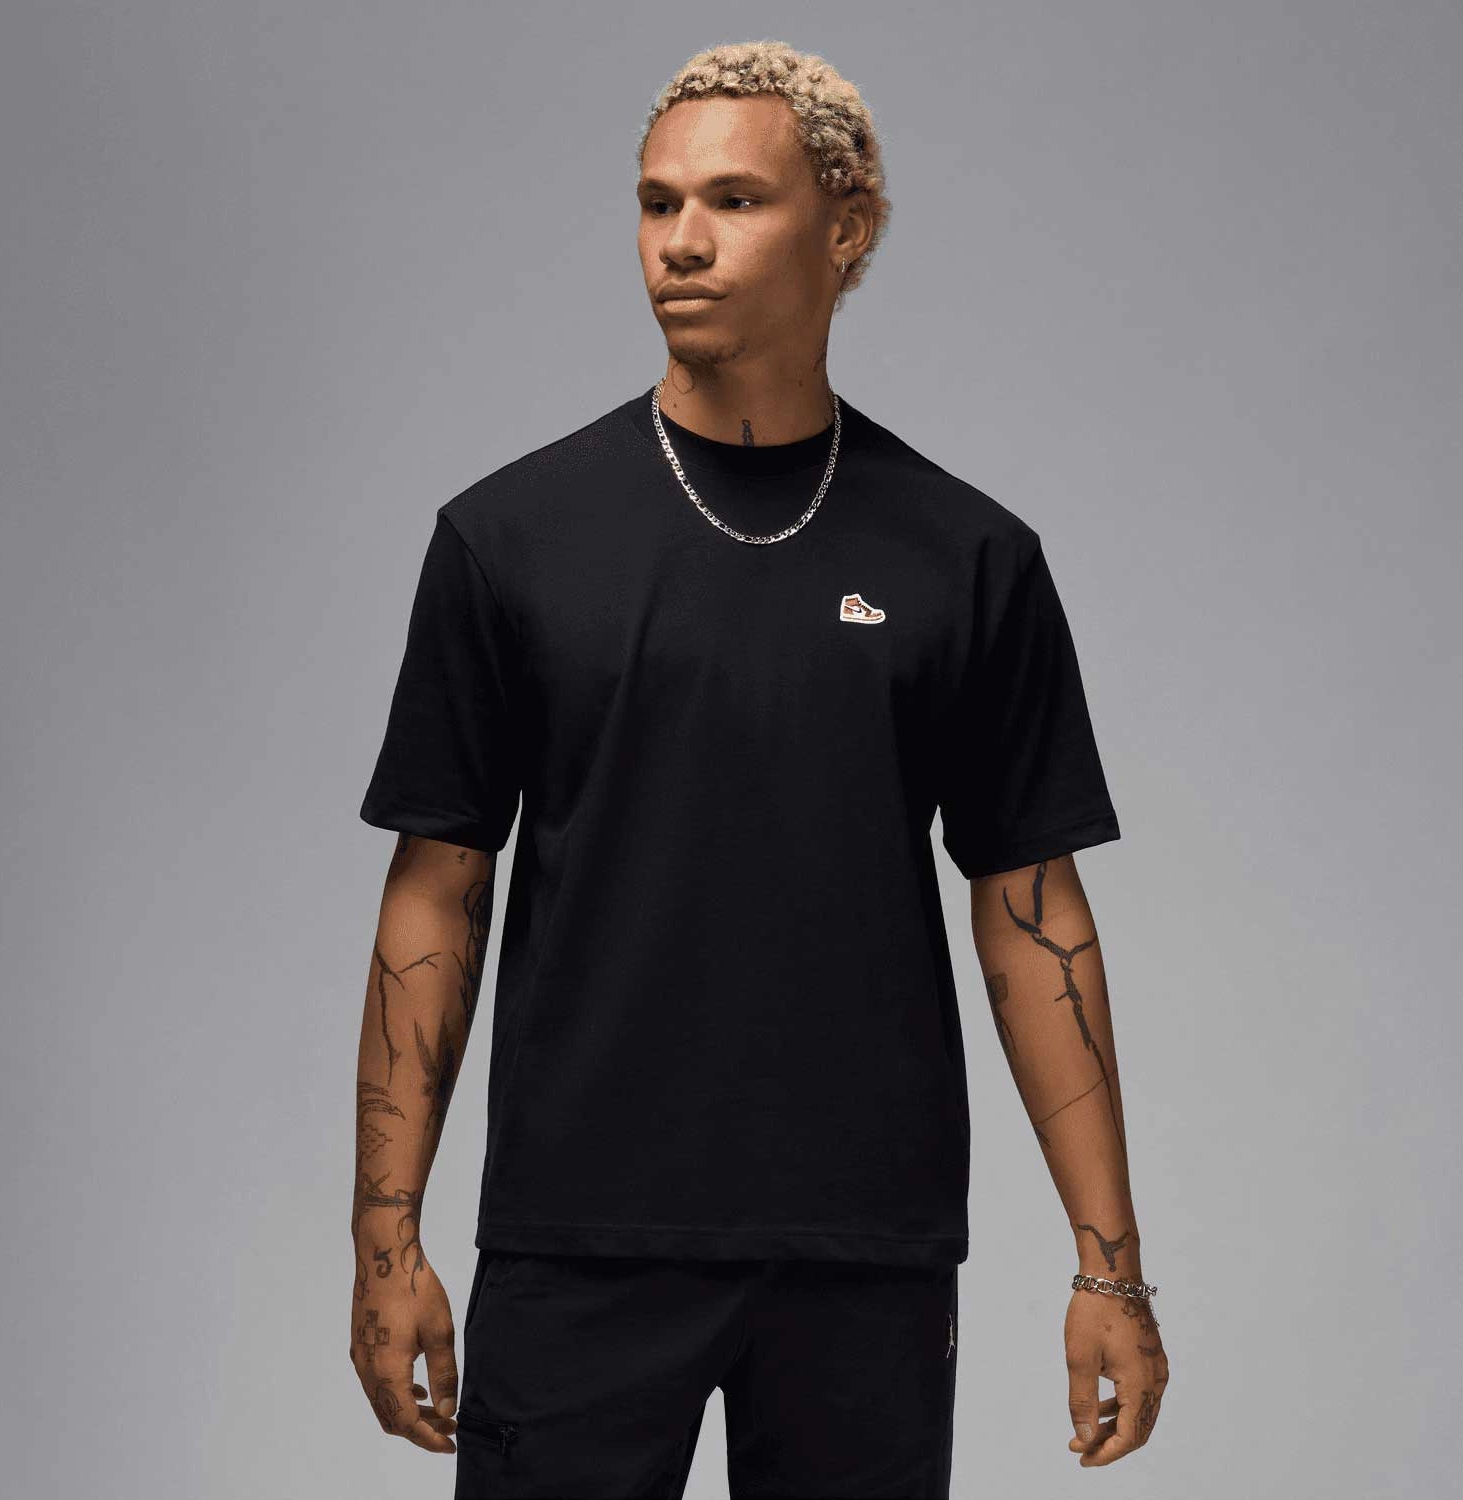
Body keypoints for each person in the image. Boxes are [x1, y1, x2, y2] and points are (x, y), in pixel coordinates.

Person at [347, 38, 1169, 1497]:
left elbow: (1031, 910)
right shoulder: (509, 542)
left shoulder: (968, 557)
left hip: (865, 1255)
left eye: (733, 200)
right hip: (577, 1246)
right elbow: (436, 893)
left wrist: (1110, 1267)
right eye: (656, 203)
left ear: (846, 229)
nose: (681, 241)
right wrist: (385, 1238)